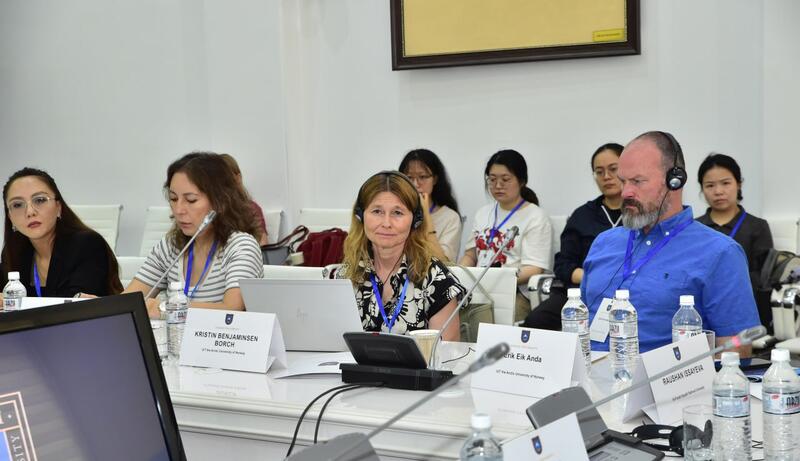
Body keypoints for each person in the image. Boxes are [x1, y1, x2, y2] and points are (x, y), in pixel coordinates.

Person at [581, 131, 760, 354]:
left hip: (663, 375)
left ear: (674, 181)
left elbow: (736, 351)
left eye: (637, 181)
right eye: (623, 181)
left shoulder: (720, 253)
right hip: (588, 370)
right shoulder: (603, 243)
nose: (625, 192)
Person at [125, 153, 264, 318]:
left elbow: (231, 309)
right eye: (173, 199)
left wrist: (165, 308)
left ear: (220, 201)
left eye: (191, 200)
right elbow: (128, 300)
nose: (179, 210)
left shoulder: (241, 246)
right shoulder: (170, 246)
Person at [334, 171, 466, 341]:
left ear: (416, 220)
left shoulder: (437, 280)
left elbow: (445, 353)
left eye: (397, 213)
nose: (386, 223)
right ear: (360, 216)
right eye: (377, 211)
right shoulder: (345, 276)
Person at [523, 143, 624, 330]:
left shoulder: (641, 214)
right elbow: (563, 264)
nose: (606, 176)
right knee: (537, 320)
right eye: (599, 172)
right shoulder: (582, 216)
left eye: (613, 169)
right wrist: (592, 278)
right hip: (582, 291)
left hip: (627, 294)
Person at [460, 150, 553, 323]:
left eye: (505, 179)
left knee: (483, 322)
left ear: (522, 181)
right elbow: (470, 255)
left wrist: (495, 280)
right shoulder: (483, 213)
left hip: (514, 292)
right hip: (478, 289)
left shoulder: (535, 216)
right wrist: (459, 276)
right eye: (492, 179)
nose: (498, 185)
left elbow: (534, 268)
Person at [1, 167, 122, 298]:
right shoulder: (13, 252)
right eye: (17, 205)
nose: (30, 212)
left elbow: (78, 304)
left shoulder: (86, 244)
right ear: (10, 217)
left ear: (58, 207)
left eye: (40, 200)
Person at [695, 153, 774, 330]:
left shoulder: (757, 227)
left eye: (725, 183)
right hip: (700, 314)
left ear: (739, 184)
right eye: (710, 185)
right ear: (702, 189)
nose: (718, 191)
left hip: (742, 313)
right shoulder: (694, 228)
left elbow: (764, 279)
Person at [399, 149, 462, 261]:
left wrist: (426, 216)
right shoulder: (395, 213)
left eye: (422, 177)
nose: (415, 184)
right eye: (409, 177)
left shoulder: (450, 217)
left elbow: (444, 263)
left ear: (435, 179)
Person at [220, 153, 269, 246]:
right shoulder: (211, 211)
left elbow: (263, 244)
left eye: (226, 179)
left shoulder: (252, 209)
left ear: (238, 178)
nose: (222, 185)